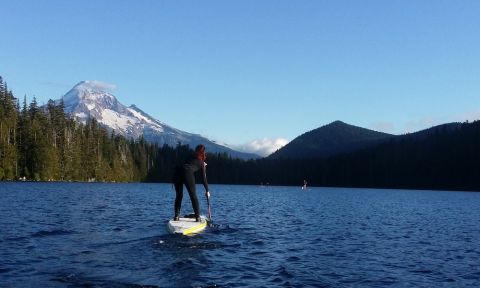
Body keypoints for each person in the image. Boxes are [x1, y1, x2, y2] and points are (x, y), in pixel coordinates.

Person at [172, 144, 210, 222]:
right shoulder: (201, 163)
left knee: (179, 196)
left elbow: (185, 163)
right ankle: (197, 218)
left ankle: (176, 216)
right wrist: (207, 191)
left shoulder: (190, 156)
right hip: (187, 172)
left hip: (177, 172)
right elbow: (203, 179)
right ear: (203, 153)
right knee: (193, 196)